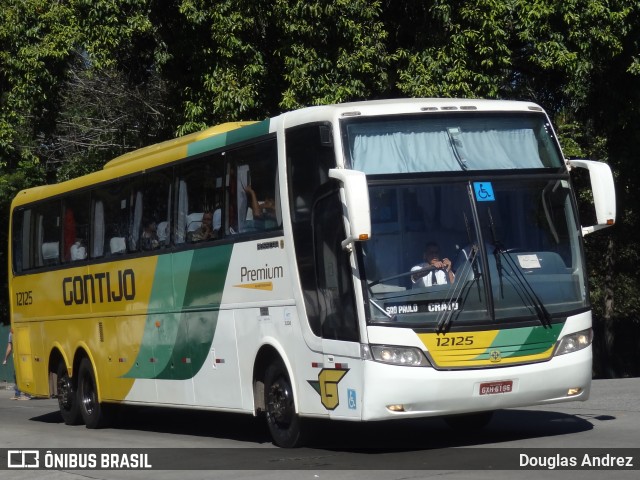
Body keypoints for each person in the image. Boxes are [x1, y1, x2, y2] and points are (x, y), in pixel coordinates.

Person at [3, 329, 30, 400]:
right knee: (17, 375)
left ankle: (27, 394)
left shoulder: (13, 332)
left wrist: (5, 359)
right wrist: (5, 358)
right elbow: (9, 347)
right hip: (19, 357)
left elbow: (9, 347)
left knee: (23, 374)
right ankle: (18, 394)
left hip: (24, 355)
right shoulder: (11, 333)